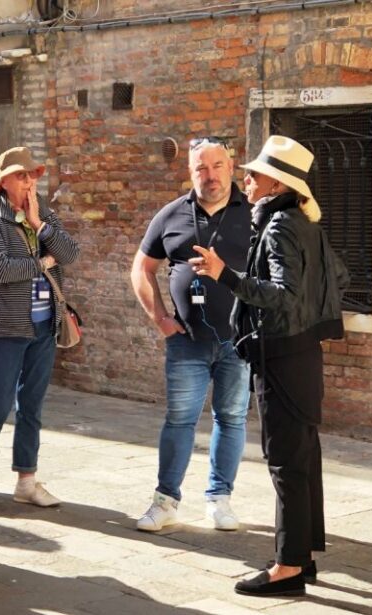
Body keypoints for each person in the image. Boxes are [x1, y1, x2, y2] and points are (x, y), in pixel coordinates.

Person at [189, 136, 348, 597]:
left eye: (254, 174)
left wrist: (227, 276)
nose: (247, 179)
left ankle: (288, 567)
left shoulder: (280, 227)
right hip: (303, 356)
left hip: (282, 357)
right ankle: (303, 556)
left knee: (285, 464)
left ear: (277, 183)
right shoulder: (304, 223)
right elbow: (340, 277)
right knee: (302, 459)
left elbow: (283, 296)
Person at [131, 137, 251, 532]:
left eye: (217, 166)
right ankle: (165, 502)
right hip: (186, 341)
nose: (210, 175)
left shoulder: (253, 213)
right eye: (201, 168)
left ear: (231, 168)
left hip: (240, 341)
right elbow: (141, 269)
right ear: (190, 172)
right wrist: (161, 319)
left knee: (232, 419)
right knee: (180, 419)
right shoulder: (171, 215)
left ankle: (220, 500)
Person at [0, 146, 79, 509]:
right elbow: (0, 268)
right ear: (3, 183)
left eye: (32, 175)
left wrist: (39, 226)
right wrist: (44, 260)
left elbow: (71, 254)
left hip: (44, 325)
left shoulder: (44, 215)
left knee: (31, 405)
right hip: (3, 327)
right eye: (20, 175)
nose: (29, 181)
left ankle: (26, 480)